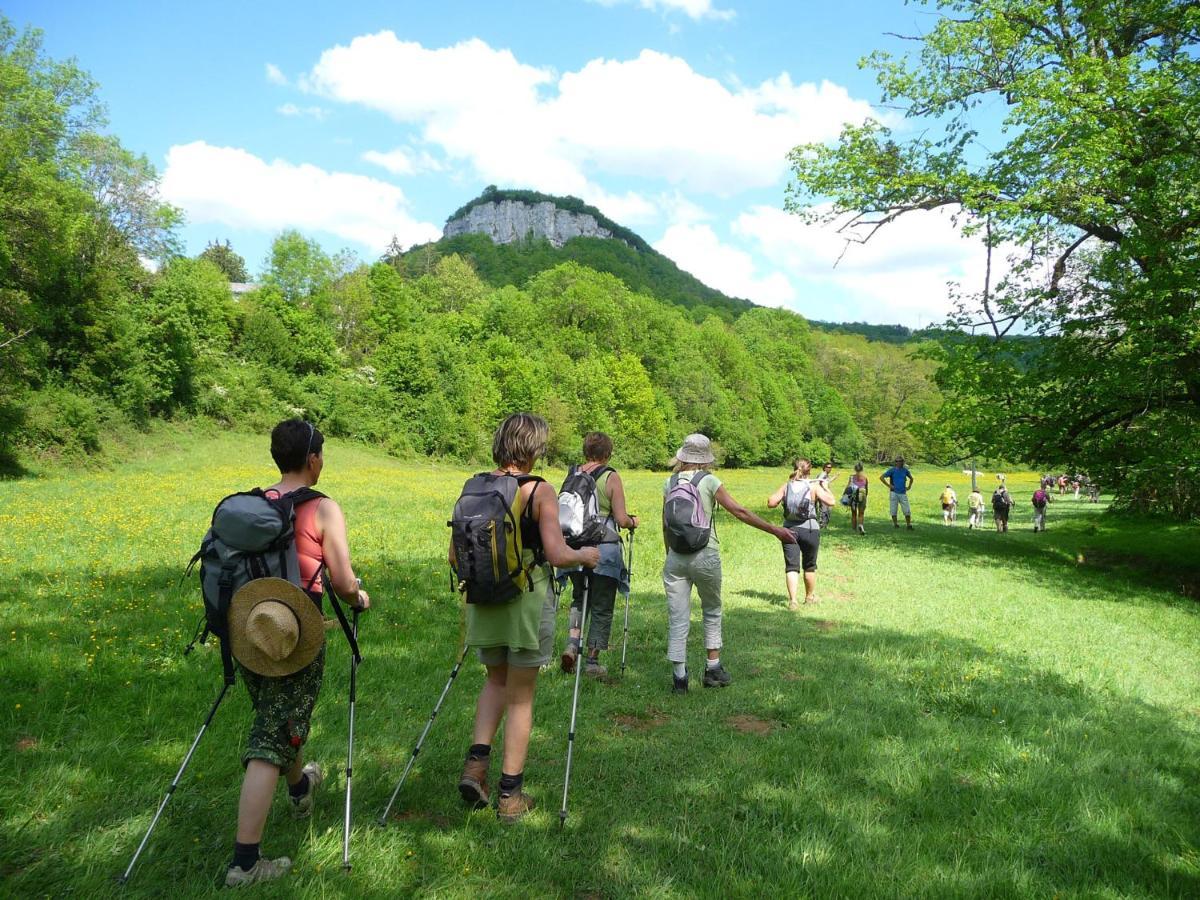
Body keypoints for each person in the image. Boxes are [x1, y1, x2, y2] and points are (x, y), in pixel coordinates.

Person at [225, 419, 370, 887]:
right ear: (312, 459)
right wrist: (359, 599)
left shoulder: (256, 503)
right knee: (269, 739)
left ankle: (300, 787)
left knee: (277, 717)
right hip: (295, 636)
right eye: (322, 452)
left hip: (251, 631)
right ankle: (245, 863)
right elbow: (344, 583)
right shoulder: (322, 509)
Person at [456, 414, 599, 823]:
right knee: (521, 697)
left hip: (483, 600)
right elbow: (556, 554)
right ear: (533, 448)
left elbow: (455, 555)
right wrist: (585, 555)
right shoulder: (539, 491)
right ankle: (510, 797)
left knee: (494, 682)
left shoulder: (474, 486)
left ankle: (475, 768)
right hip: (526, 599)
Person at [662, 433, 796, 693]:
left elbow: (665, 523)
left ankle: (679, 678)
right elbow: (740, 511)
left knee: (677, 617)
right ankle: (713, 670)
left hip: (675, 558)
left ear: (682, 456)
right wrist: (775, 530)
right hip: (705, 553)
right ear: (705, 458)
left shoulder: (669, 482)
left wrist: (670, 554)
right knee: (711, 610)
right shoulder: (710, 481)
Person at [560, 432, 639, 679]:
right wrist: (633, 522)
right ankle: (592, 663)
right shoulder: (611, 477)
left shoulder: (574, 474)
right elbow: (622, 519)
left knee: (578, 599)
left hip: (574, 548)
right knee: (602, 605)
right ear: (607, 454)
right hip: (604, 550)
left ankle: (572, 646)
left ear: (585, 451)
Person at [768, 458, 837, 610]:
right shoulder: (813, 486)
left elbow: (771, 503)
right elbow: (831, 501)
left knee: (791, 567)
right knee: (809, 566)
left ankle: (793, 601)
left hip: (789, 530)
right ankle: (809, 597)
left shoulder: (786, 486)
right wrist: (825, 487)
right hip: (810, 530)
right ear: (809, 471)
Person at [880, 456, 915, 529]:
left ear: (903, 462)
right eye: (897, 461)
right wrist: (889, 485)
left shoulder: (905, 470)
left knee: (907, 510)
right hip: (894, 493)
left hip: (903, 493)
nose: (899, 462)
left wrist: (909, 486)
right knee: (893, 509)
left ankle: (909, 525)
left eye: (900, 461)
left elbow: (911, 478)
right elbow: (881, 477)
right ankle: (895, 524)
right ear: (895, 462)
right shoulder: (892, 470)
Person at [846, 462, 869, 534]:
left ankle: (853, 528)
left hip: (853, 494)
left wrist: (845, 495)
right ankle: (861, 525)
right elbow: (866, 488)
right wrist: (866, 496)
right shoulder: (865, 477)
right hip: (862, 494)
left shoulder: (851, 477)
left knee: (854, 513)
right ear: (862, 469)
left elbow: (848, 487)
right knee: (861, 512)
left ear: (855, 469)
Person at [816, 461, 837, 528]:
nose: (829, 469)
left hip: (825, 494)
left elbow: (827, 482)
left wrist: (834, 477)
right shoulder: (823, 474)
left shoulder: (826, 475)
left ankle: (824, 524)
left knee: (827, 509)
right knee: (824, 509)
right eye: (828, 467)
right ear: (824, 468)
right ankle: (822, 524)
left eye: (830, 467)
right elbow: (818, 482)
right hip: (822, 494)